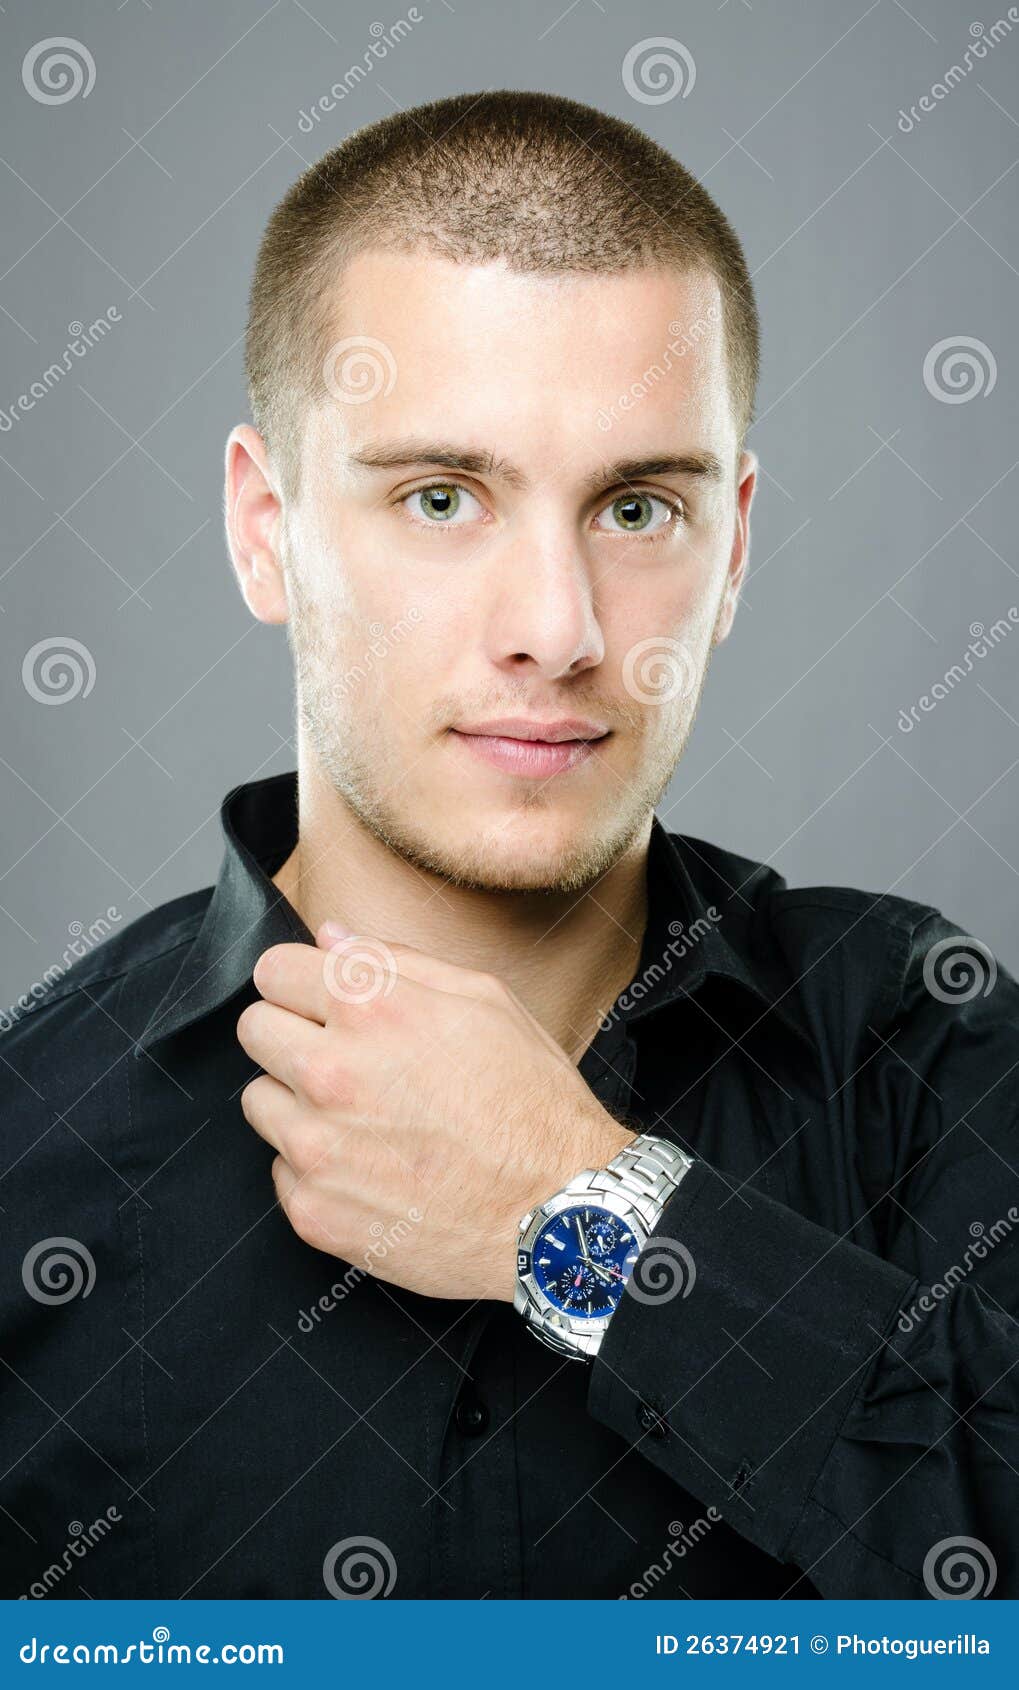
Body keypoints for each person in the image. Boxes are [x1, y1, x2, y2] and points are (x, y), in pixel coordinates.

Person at [1, 89, 1016, 1603]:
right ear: (265, 527)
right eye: (440, 495)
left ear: (731, 548)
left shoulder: (934, 1062)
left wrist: (582, 1219)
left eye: (636, 505)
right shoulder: (29, 1151)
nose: (558, 628)